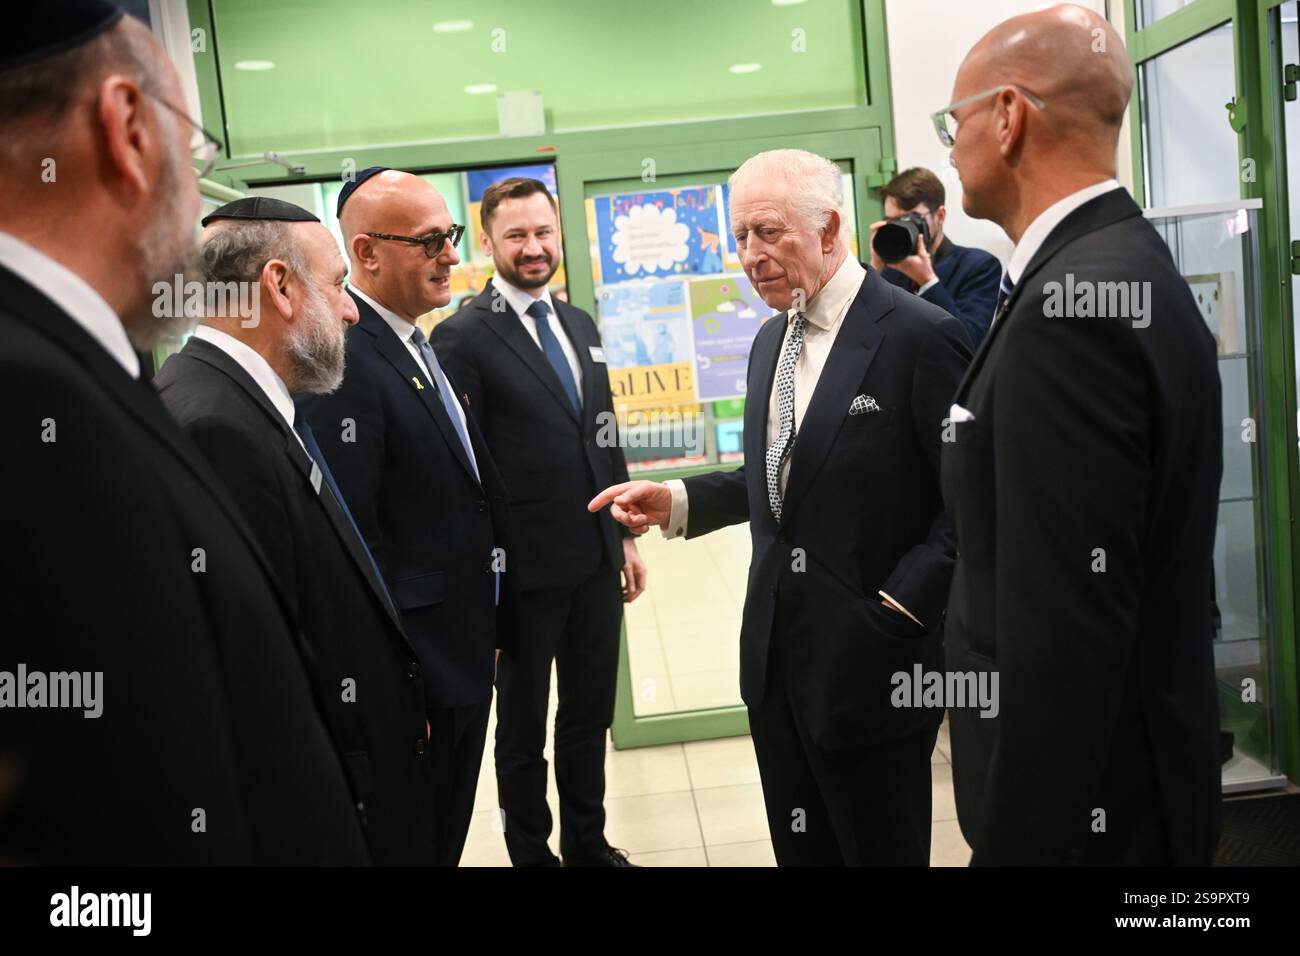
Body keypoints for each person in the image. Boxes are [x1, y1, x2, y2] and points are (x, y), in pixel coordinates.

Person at [0, 1, 366, 864]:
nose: (195, 185)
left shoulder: (84, 368)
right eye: (193, 145)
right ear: (128, 128)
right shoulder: (31, 407)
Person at [589, 148, 972, 866]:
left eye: (768, 233)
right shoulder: (771, 338)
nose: (750, 256)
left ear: (830, 230)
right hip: (776, 665)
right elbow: (778, 480)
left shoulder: (919, 336)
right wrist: (674, 499)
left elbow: (970, 504)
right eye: (739, 238)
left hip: (873, 664)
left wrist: (898, 610)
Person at [938, 4, 1223, 864]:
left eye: (955, 123)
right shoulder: (1122, 261)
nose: (950, 151)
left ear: (1010, 116)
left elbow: (1063, 634)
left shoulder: (1070, 310)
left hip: (1095, 812)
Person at [154, 198, 439, 865]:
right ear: (279, 287)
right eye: (338, 285)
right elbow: (263, 671)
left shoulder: (237, 399)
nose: (350, 310)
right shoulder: (216, 426)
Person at [306, 168, 519, 866]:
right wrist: (394, 691)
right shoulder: (346, 364)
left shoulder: (419, 344)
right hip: (419, 676)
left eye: (451, 237)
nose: (452, 256)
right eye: (429, 242)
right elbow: (354, 544)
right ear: (366, 253)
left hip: (460, 653)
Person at [433, 178, 645, 867]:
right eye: (517, 235)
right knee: (522, 732)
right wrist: (482, 590)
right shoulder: (463, 337)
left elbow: (601, 435)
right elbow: (462, 472)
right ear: (489, 242)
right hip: (520, 576)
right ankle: (532, 854)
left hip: (593, 562)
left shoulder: (578, 323)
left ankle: (589, 844)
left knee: (588, 718)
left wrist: (625, 536)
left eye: (543, 232)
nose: (534, 247)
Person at [870, 166, 1002, 345]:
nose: (901, 227)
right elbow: (867, 333)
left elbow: (970, 341)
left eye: (910, 219)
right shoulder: (890, 272)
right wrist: (875, 268)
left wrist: (928, 282)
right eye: (892, 220)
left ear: (939, 215)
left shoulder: (979, 266)